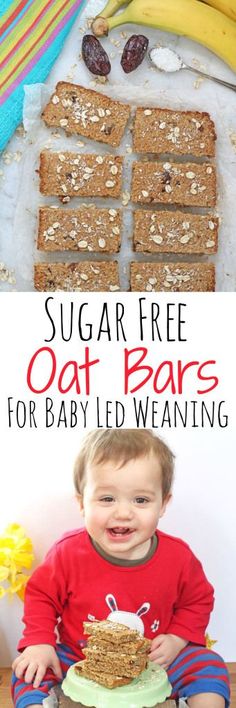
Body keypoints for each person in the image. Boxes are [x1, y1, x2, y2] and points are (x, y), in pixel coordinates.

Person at [12, 429, 230, 707]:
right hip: (82, 657)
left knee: (209, 663)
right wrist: (39, 642)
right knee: (29, 670)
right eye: (107, 499)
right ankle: (45, 702)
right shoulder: (67, 553)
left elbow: (198, 600)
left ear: (163, 503)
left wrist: (176, 639)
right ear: (81, 503)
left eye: (140, 500)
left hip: (153, 661)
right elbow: (41, 596)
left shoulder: (179, 557)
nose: (123, 512)